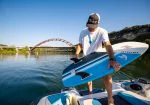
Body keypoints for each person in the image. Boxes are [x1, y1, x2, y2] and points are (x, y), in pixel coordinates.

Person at [75, 13, 121, 105]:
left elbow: (107, 44)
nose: (91, 27)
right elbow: (80, 45)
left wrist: (112, 59)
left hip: (99, 57)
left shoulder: (102, 31)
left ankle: (110, 99)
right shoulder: (83, 32)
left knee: (106, 76)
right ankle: (90, 92)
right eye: (89, 25)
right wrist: (76, 55)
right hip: (86, 58)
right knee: (88, 78)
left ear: (98, 23)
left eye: (93, 26)